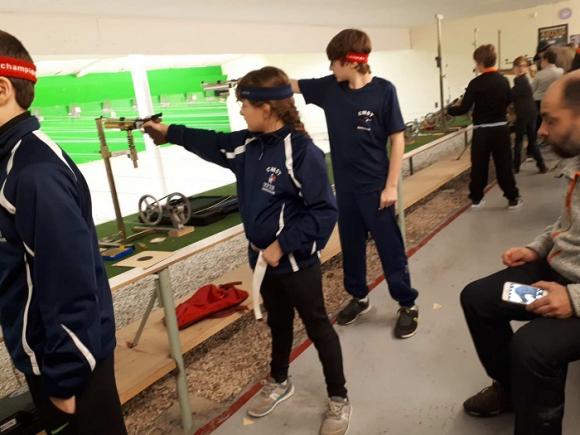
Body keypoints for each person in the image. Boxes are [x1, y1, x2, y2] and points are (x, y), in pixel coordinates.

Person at [143, 66, 351, 435]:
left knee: (318, 327)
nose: (240, 111)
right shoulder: (247, 145)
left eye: (244, 105)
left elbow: (324, 212)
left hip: (296, 263)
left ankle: (339, 397)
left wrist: (282, 245)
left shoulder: (302, 153)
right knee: (279, 323)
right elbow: (210, 141)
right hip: (263, 261)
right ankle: (279, 381)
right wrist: (169, 133)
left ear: (267, 108)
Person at [0, 30, 126, 434]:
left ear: (2, 89)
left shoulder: (34, 172)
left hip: (69, 366)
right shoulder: (15, 161)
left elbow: (69, 283)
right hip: (47, 354)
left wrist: (65, 376)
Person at [460, 70, 580, 435]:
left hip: (576, 294)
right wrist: (536, 248)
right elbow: (565, 224)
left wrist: (574, 299)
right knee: (478, 298)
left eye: (550, 119)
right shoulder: (575, 162)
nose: (540, 130)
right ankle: (511, 391)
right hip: (559, 274)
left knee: (532, 348)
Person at [290, 28, 419, 337]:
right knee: (351, 246)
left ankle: (407, 304)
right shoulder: (329, 88)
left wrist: (391, 186)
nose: (330, 69)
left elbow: (397, 140)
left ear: (350, 61)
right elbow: (289, 85)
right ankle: (359, 297)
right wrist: (256, 83)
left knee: (390, 248)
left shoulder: (384, 91)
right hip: (344, 189)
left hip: (375, 188)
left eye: (334, 63)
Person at [448, 44, 521, 209]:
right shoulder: (503, 81)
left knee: (479, 166)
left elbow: (464, 108)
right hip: (501, 129)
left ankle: (476, 199)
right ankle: (513, 198)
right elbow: (509, 101)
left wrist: (450, 110)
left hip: (482, 131)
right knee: (504, 165)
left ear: (480, 62)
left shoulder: (475, 83)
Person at [511, 56, 547, 174]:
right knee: (532, 141)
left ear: (526, 68)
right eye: (518, 66)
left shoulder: (520, 81)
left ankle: (515, 167)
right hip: (531, 113)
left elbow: (511, 95)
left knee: (519, 141)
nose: (521, 68)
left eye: (523, 66)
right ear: (514, 68)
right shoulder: (525, 80)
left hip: (523, 114)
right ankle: (541, 165)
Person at [533, 51, 564, 132]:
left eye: (542, 60)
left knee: (540, 122)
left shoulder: (540, 74)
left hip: (539, 101)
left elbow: (533, 89)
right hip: (555, 100)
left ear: (546, 60)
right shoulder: (561, 71)